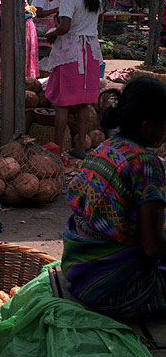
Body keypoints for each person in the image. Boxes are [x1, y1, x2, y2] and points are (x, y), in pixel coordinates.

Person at [61, 76, 166, 319]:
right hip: (114, 290)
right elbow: (153, 247)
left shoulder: (105, 149)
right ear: (147, 126)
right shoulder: (146, 164)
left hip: (79, 271)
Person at [45, 0, 103, 158]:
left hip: (71, 53)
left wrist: (52, 33)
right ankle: (80, 148)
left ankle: (57, 148)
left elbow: (65, 27)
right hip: (91, 51)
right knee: (83, 104)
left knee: (62, 103)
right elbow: (98, 18)